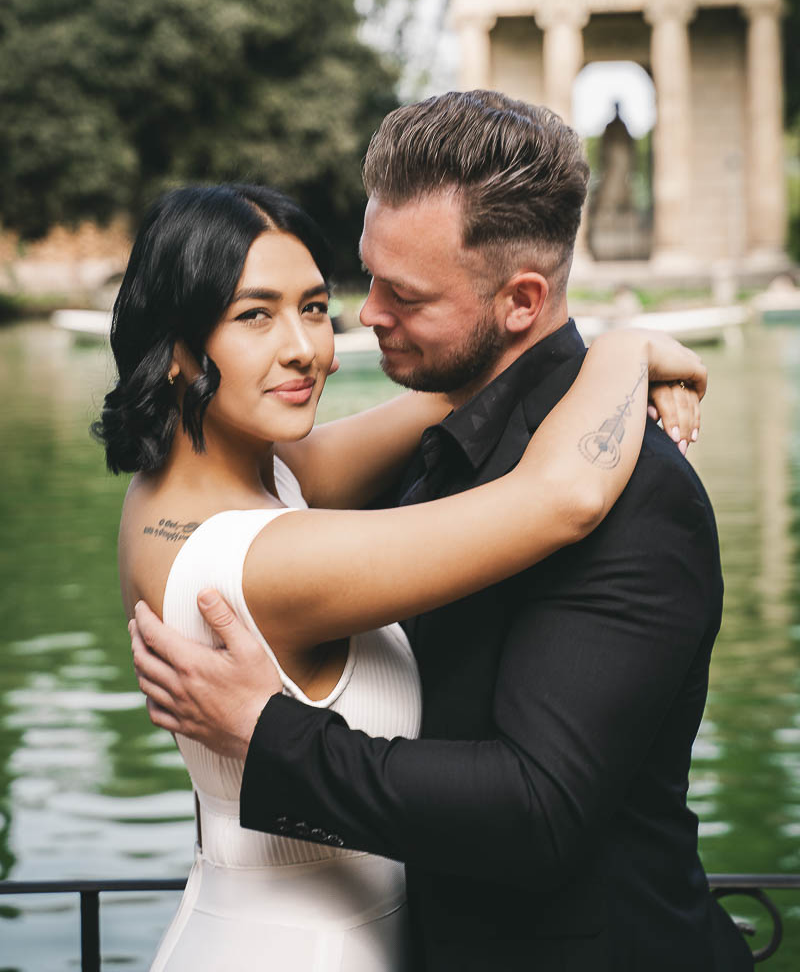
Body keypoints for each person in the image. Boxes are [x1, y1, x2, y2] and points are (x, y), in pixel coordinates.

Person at [127, 94, 748, 972]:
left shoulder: (640, 494)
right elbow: (548, 489)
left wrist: (271, 736)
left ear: (521, 301)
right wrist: (623, 347)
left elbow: (537, 810)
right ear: (183, 349)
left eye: (398, 294)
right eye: (365, 278)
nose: (361, 319)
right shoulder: (400, 468)